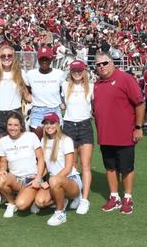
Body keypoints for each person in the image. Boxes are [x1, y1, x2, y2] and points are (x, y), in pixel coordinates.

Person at [93, 52, 144, 215]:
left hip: (124, 135)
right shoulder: (97, 84)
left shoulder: (125, 79)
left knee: (126, 168)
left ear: (112, 62)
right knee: (110, 167)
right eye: (98, 64)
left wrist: (138, 127)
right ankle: (114, 197)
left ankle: (127, 198)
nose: (102, 66)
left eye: (105, 63)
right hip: (105, 135)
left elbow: (140, 103)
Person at [0, 45, 30, 204]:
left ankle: (17, 186)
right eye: (3, 56)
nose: (6, 58)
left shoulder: (21, 74)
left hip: (15, 114)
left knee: (17, 153)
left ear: (14, 57)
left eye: (9, 55)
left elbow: (27, 96)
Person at [33, 112, 82, 226]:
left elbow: (69, 167)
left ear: (59, 124)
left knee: (54, 181)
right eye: (46, 123)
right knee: (40, 202)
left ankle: (60, 212)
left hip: (71, 179)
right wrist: (38, 179)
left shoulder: (66, 140)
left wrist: (50, 182)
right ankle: (62, 199)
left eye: (52, 123)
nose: (49, 126)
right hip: (54, 181)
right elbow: (44, 166)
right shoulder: (43, 141)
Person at [0, 112, 45, 218]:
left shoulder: (31, 136)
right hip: (15, 179)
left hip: (31, 179)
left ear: (21, 125)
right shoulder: (3, 141)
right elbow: (3, 161)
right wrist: (2, 170)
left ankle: (33, 195)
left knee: (21, 205)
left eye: (16, 125)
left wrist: (38, 178)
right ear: (6, 125)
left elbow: (41, 159)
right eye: (10, 125)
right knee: (0, 180)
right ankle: (11, 203)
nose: (13, 128)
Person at [61, 60, 93, 215]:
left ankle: (84, 199)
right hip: (68, 126)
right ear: (70, 71)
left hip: (85, 126)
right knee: (72, 165)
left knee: (85, 164)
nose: (77, 73)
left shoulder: (91, 87)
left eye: (80, 70)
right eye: (74, 70)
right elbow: (61, 104)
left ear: (84, 71)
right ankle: (76, 195)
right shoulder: (65, 86)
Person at [26, 46, 65, 139]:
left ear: (51, 59)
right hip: (37, 111)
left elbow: (62, 91)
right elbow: (27, 91)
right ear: (38, 60)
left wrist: (62, 103)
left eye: (47, 58)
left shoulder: (59, 74)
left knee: (55, 145)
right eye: (42, 58)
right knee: (37, 145)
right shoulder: (31, 74)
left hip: (54, 110)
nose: (44, 61)